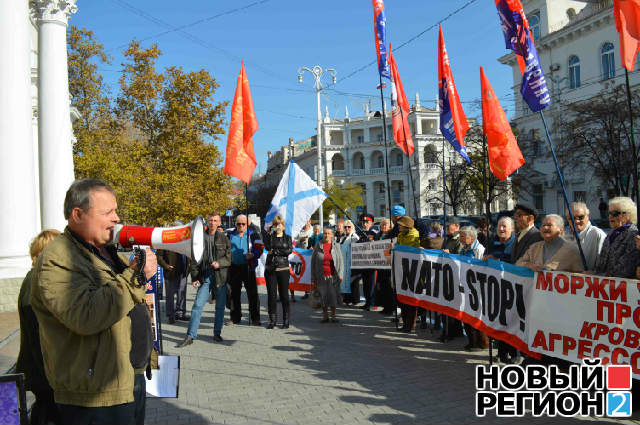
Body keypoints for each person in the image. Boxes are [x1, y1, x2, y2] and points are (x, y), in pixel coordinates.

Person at [30, 178, 156, 425]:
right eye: (108, 212)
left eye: (116, 210)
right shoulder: (58, 259)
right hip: (93, 396)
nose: (116, 218)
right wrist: (134, 276)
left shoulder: (106, 251)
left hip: (127, 378)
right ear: (77, 214)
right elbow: (85, 316)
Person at [16, 229, 61, 425]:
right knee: (47, 413)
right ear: (38, 256)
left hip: (47, 371)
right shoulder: (34, 282)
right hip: (44, 373)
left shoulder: (40, 279)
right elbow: (38, 335)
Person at [176, 213, 231, 347]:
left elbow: (229, 258)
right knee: (197, 305)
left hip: (220, 276)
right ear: (207, 222)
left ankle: (217, 333)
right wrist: (194, 277)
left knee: (220, 307)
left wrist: (219, 263)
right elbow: (195, 259)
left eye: (215, 220)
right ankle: (190, 336)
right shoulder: (200, 237)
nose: (212, 223)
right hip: (205, 275)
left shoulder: (224, 238)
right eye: (210, 220)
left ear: (219, 223)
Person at [516, 214, 584, 273]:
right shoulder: (534, 247)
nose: (545, 228)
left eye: (549, 225)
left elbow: (580, 276)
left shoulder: (572, 251)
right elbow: (518, 263)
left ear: (561, 229)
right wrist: (529, 266)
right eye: (543, 225)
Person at [228, 214, 261, 325]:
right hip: (234, 267)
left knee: (252, 294)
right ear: (235, 224)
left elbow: (260, 249)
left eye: (243, 224)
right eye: (239, 224)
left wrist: (253, 255)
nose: (241, 226)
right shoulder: (231, 234)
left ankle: (255, 318)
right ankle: (235, 318)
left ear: (247, 224)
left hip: (248, 267)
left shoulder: (253, 235)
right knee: (234, 294)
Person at [595, 196, 640, 278]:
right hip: (603, 286)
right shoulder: (611, 234)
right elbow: (601, 262)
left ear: (627, 215)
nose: (610, 216)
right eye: (609, 213)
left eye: (615, 214)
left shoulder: (633, 235)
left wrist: (601, 276)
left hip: (622, 287)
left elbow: (626, 269)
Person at [157, 221, 191, 324]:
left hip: (183, 271)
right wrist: (166, 266)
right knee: (170, 295)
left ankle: (180, 313)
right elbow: (159, 257)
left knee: (182, 294)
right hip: (170, 272)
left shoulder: (186, 241)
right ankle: (170, 315)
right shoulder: (165, 241)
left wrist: (190, 266)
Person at [263, 215, 293, 329]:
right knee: (271, 295)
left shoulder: (288, 237)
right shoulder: (270, 237)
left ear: (283, 226)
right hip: (271, 269)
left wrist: (275, 251)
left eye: (280, 224)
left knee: (284, 296)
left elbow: (288, 250)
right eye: (276, 224)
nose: (278, 226)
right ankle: (272, 320)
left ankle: (286, 320)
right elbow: (267, 247)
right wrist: (269, 234)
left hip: (283, 269)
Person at [311, 227, 344, 323]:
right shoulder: (318, 245)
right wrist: (313, 277)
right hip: (321, 276)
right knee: (323, 296)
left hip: (333, 275)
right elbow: (313, 262)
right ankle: (325, 316)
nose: (327, 235)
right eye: (325, 233)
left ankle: (333, 315)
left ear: (332, 235)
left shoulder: (336, 246)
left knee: (333, 296)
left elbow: (341, 262)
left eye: (329, 233)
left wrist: (341, 274)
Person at [563, 202, 606, 270]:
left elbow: (603, 264)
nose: (576, 221)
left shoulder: (597, 234)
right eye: (572, 218)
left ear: (588, 216)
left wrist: (594, 273)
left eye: (581, 217)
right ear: (568, 219)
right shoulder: (564, 236)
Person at [396, 216, 420, 332]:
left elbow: (408, 250)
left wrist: (397, 248)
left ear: (407, 226)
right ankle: (406, 323)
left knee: (411, 299)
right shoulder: (400, 235)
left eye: (401, 225)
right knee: (403, 298)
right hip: (402, 269)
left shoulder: (414, 235)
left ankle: (412, 324)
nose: (399, 226)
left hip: (412, 270)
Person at [357, 213, 377, 311]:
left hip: (372, 262)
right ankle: (367, 301)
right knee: (365, 283)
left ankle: (371, 302)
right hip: (362, 262)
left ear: (371, 223)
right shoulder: (360, 233)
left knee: (371, 283)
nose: (365, 224)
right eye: (363, 222)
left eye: (367, 222)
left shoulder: (374, 233)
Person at [375, 219, 395, 315]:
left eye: (385, 225)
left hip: (389, 266)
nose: (383, 227)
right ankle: (384, 307)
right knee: (381, 287)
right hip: (380, 266)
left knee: (388, 288)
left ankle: (390, 308)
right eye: (382, 225)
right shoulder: (378, 235)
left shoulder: (392, 236)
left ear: (390, 227)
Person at [341, 220, 361, 305]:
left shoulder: (354, 236)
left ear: (352, 227)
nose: (347, 228)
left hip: (353, 262)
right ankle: (347, 299)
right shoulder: (344, 237)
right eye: (345, 227)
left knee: (354, 282)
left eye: (349, 227)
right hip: (345, 262)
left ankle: (355, 300)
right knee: (347, 281)